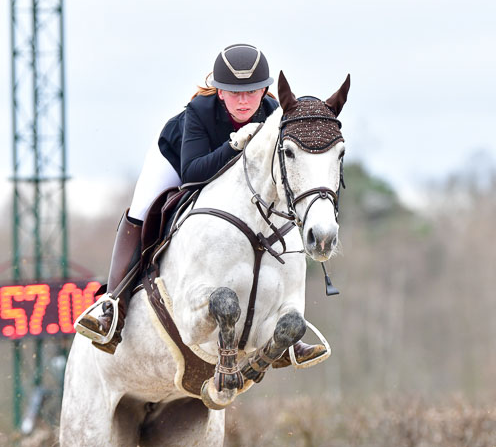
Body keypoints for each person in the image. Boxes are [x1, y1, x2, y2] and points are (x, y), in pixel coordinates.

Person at [75, 43, 326, 366]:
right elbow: (193, 174)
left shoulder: (274, 114)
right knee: (141, 210)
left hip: (237, 183)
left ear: (264, 90)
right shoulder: (199, 112)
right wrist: (236, 144)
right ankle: (113, 304)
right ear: (219, 92)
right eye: (234, 93)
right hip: (176, 161)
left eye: (251, 92)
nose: (243, 101)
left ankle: (285, 332)